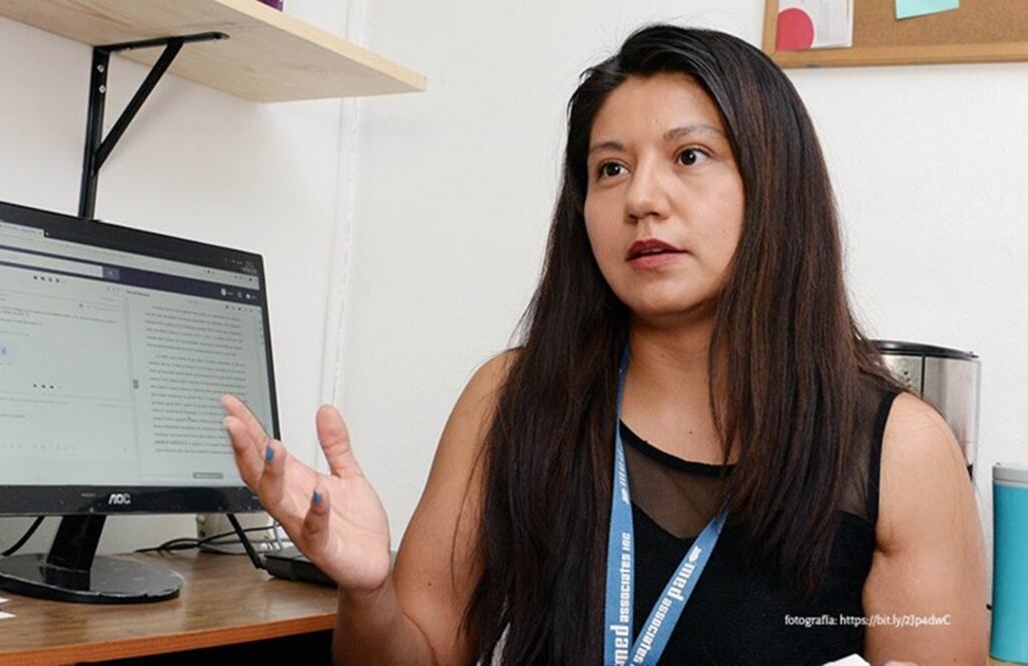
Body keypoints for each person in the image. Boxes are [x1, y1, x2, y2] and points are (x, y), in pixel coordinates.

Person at [221, 24, 987, 665]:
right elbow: (416, 654)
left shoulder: (895, 452)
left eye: (689, 157)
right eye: (609, 169)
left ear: (774, 186)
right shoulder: (512, 400)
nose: (642, 199)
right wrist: (367, 592)